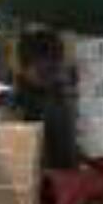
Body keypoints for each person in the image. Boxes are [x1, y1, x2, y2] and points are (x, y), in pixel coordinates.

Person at [14, 30, 79, 170]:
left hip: (65, 182)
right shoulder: (17, 106)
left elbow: (65, 145)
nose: (51, 77)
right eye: (44, 71)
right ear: (24, 67)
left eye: (55, 69)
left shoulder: (58, 96)